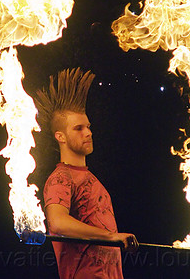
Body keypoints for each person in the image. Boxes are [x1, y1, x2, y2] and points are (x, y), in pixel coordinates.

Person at [34, 68, 138, 279]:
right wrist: (111, 237)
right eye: (78, 128)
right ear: (60, 137)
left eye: (88, 126)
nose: (88, 132)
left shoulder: (91, 179)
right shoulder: (61, 178)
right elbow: (58, 222)